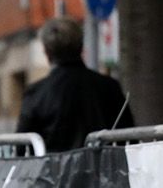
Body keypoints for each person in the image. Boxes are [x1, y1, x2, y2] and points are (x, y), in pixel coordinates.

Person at [17, 16, 134, 152]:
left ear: (46, 51)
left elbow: (21, 147)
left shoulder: (36, 93)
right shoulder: (109, 87)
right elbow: (129, 139)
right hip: (105, 170)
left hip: (53, 171)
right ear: (81, 47)